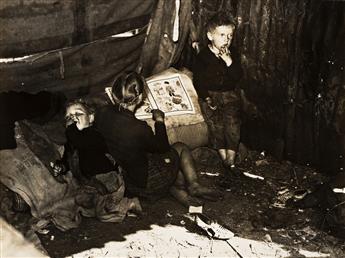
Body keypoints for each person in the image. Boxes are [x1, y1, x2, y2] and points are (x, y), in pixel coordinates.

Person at [95, 71, 222, 207]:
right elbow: (163, 148)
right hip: (148, 182)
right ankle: (193, 185)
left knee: (146, 155)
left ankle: (174, 190)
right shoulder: (139, 127)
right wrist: (159, 121)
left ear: (114, 95)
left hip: (128, 182)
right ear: (139, 98)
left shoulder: (102, 114)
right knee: (180, 147)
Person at [50, 99, 142, 213]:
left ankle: (128, 203)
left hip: (106, 178)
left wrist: (72, 129)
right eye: (69, 117)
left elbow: (82, 142)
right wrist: (62, 166)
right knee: (77, 201)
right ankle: (102, 204)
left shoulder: (95, 134)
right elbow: (68, 158)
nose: (73, 118)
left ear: (91, 118)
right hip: (87, 181)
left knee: (103, 207)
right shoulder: (72, 138)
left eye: (78, 114)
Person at [192, 12, 243, 171]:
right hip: (210, 96)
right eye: (222, 35)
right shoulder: (203, 57)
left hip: (229, 95)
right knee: (215, 126)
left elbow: (237, 76)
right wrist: (206, 97)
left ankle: (231, 159)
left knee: (233, 125)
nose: (227, 39)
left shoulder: (232, 53)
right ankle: (224, 159)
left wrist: (229, 62)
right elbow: (198, 81)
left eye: (230, 35)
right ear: (210, 36)